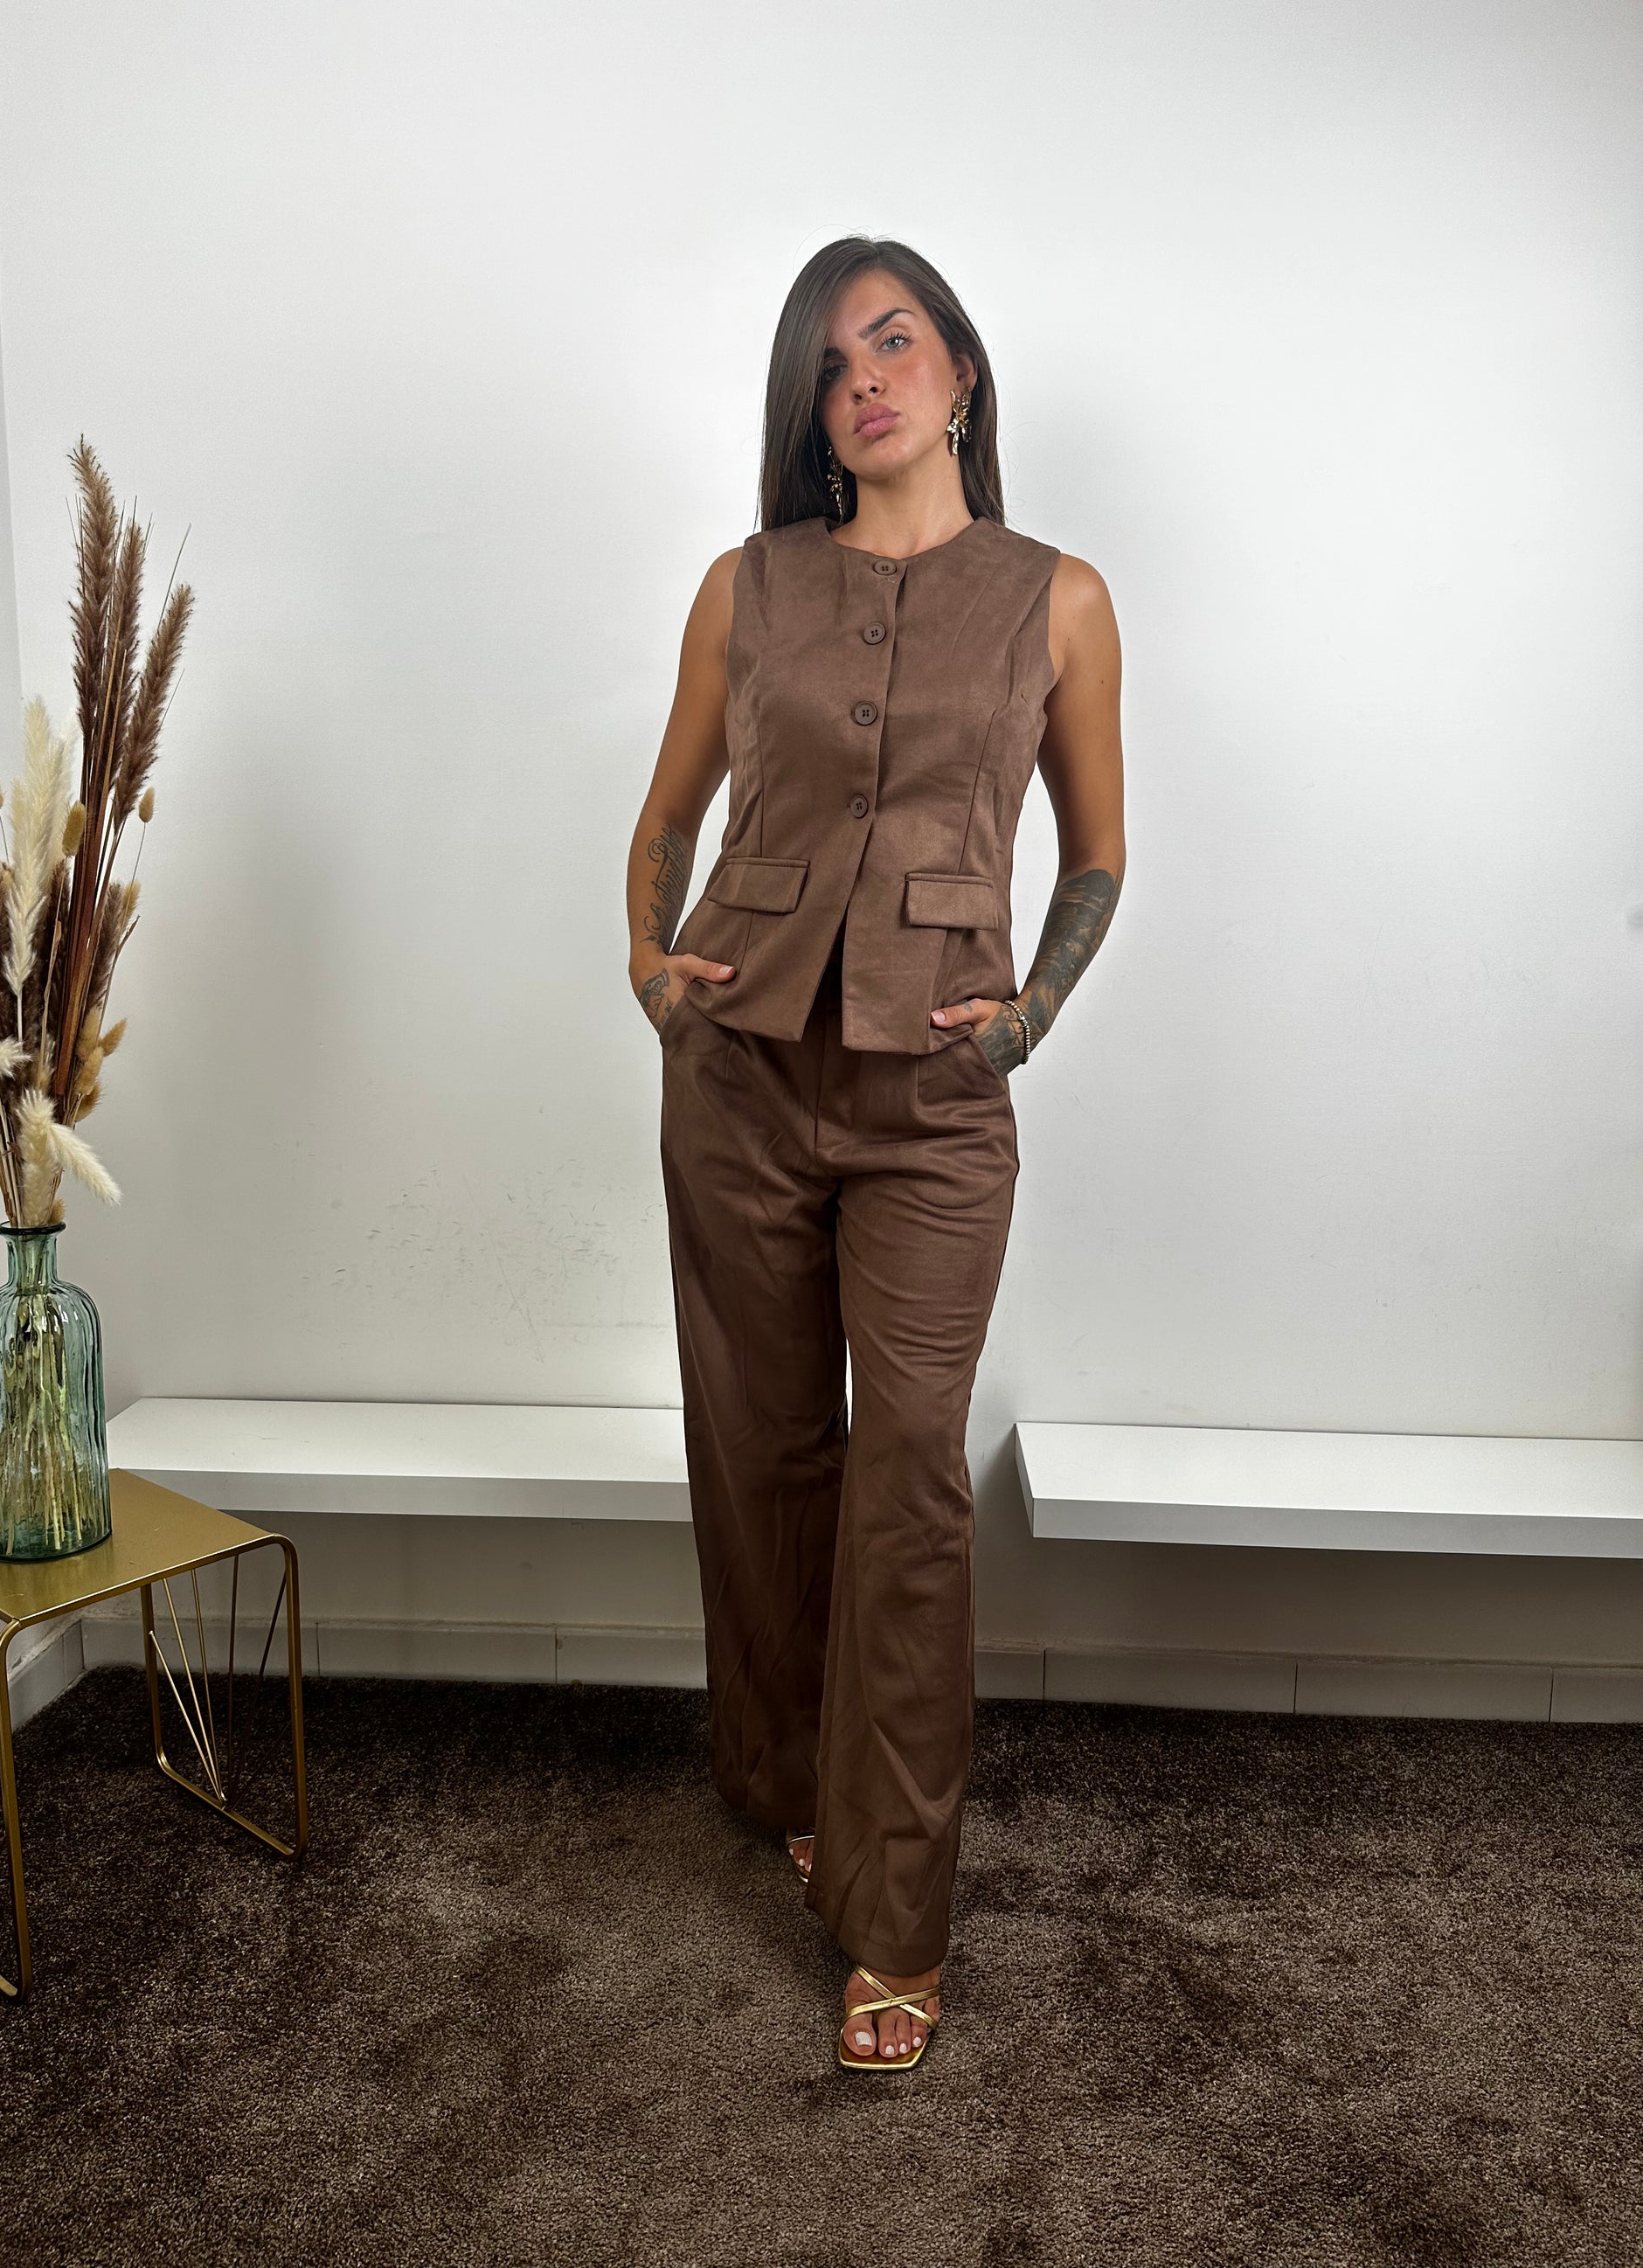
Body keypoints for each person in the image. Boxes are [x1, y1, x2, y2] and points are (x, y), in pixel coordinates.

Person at [624, 235, 1125, 2071]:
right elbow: (663, 819)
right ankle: (784, 1781)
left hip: (934, 1103)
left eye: (894, 343)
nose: (866, 383)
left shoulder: (1058, 598)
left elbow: (1095, 852)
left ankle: (894, 1914)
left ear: (961, 372)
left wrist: (1028, 1016)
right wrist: (650, 966)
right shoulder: (745, 586)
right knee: (760, 1452)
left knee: (907, 1472)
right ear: (811, 413)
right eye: (831, 367)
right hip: (739, 1078)